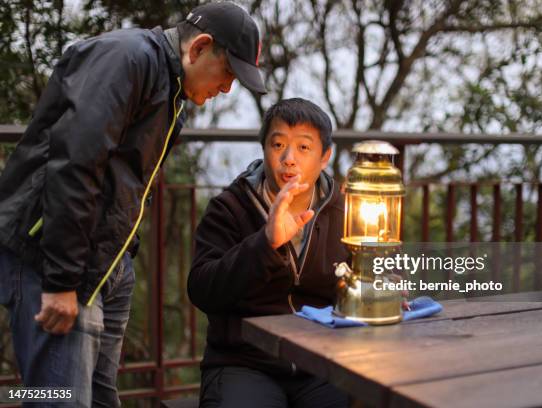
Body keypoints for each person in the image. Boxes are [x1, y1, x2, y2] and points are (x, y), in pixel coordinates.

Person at [0, 2, 265, 406]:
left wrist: (123, 260)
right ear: (199, 48)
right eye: (228, 72)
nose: (227, 88)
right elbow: (76, 162)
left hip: (104, 265)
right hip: (52, 261)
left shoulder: (170, 87)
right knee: (59, 398)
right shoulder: (128, 58)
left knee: (101, 397)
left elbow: (123, 181)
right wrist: (61, 280)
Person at [188, 98, 350, 407]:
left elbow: (378, 271)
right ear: (264, 149)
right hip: (244, 362)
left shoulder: (345, 210)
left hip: (323, 361)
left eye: (304, 148)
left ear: (325, 156)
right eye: (278, 145)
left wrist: (386, 286)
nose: (289, 159)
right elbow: (201, 289)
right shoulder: (230, 208)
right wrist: (265, 243)